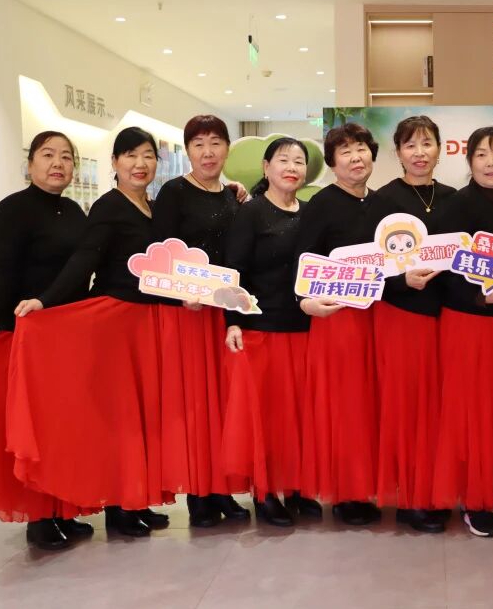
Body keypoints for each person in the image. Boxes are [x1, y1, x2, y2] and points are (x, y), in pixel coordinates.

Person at [10, 126, 171, 538]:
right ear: (114, 162)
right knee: (118, 419)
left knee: (140, 416)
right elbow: (85, 259)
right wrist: (45, 300)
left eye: (148, 155)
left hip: (145, 323)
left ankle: (132, 499)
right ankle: (119, 507)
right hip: (114, 325)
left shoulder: (153, 207)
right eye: (130, 155)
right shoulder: (108, 206)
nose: (140, 163)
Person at [0, 131, 92, 550]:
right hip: (27, 337)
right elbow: (1, 271)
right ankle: (39, 518)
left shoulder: (74, 211)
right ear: (30, 164)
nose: (57, 163)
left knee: (62, 426)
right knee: (35, 429)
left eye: (66, 157)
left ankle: (63, 508)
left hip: (65, 336)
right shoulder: (11, 210)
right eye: (47, 155)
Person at [151, 115, 249, 527]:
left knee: (224, 402)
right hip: (188, 314)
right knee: (195, 405)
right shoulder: (173, 193)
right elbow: (159, 253)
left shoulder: (232, 195)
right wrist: (180, 292)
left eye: (215, 143)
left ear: (228, 148)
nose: (208, 152)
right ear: (188, 150)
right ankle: (199, 494)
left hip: (223, 312)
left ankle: (222, 488)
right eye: (198, 144)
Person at [432, 126, 493, 538]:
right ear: (469, 161)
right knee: (471, 410)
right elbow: (443, 269)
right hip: (468, 321)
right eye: (482, 154)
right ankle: (474, 498)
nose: (491, 162)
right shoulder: (456, 205)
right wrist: (480, 297)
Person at [222, 137, 318, 527]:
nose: (291, 167)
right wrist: (232, 320)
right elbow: (234, 269)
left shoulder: (310, 213)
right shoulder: (251, 213)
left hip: (304, 327)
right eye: (283, 160)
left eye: (298, 161)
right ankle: (264, 493)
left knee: (298, 414)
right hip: (261, 329)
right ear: (266, 167)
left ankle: (295, 486)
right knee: (266, 417)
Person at [368, 116, 456, 533]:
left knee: (439, 409)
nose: (420, 153)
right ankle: (410, 498)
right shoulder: (382, 200)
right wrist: (402, 282)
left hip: (447, 318)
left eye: (427, 144)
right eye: (410, 145)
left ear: (440, 148)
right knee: (406, 407)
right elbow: (369, 267)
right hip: (401, 315)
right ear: (398, 152)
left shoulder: (454, 198)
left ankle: (436, 490)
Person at [296, 122, 382, 526]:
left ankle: (368, 485)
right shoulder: (321, 204)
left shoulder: (381, 204)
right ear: (332, 162)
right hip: (338, 319)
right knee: (345, 406)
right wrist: (305, 301)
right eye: (345, 151)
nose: (355, 158)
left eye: (361, 148)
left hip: (378, 319)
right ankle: (347, 492)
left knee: (370, 405)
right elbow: (301, 261)